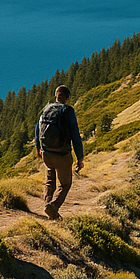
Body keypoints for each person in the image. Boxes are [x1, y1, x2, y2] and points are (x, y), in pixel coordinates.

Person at [35, 85, 84, 220]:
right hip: (62, 155)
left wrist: (37, 147)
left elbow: (37, 128)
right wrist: (80, 158)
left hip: (46, 153)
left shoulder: (46, 108)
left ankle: (47, 205)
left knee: (50, 181)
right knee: (65, 184)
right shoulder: (68, 111)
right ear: (68, 98)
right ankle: (54, 206)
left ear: (56, 96)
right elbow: (75, 136)